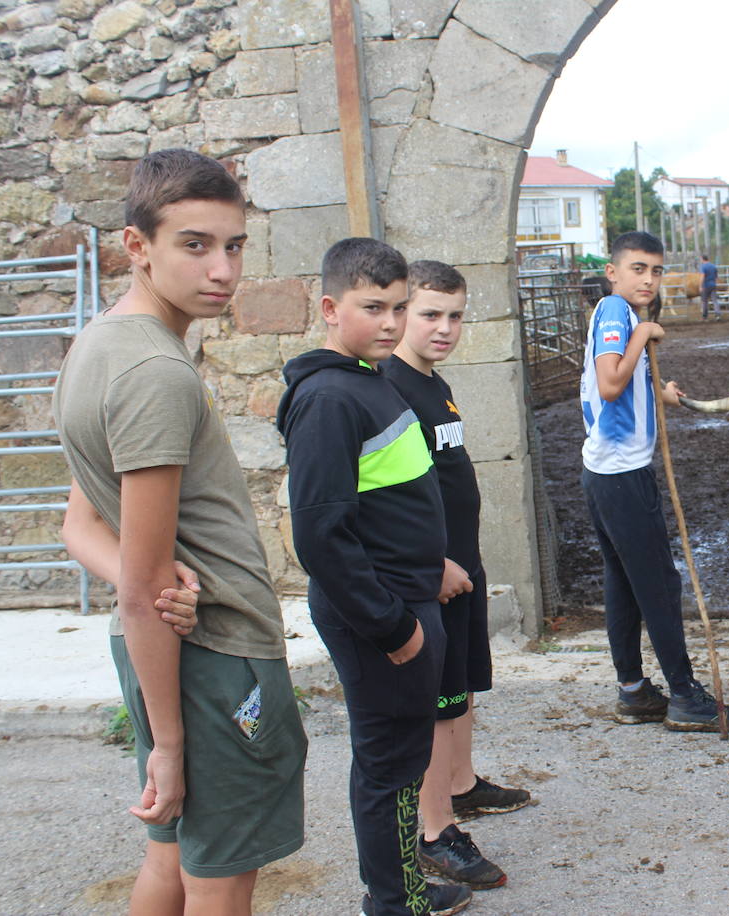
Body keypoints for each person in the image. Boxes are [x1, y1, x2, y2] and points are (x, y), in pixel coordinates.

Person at [53, 148, 307, 914]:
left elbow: (79, 526)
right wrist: (169, 740)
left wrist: (153, 577)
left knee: (171, 856)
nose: (221, 269)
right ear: (138, 247)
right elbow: (139, 590)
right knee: (220, 882)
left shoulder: (98, 346)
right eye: (194, 246)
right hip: (213, 659)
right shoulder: (154, 375)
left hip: (165, 655)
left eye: (233, 246)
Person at [275, 239, 471, 916]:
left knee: (402, 757)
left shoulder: (369, 377)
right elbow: (321, 534)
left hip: (408, 593)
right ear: (330, 308)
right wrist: (393, 626)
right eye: (371, 307)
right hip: (381, 614)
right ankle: (395, 900)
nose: (389, 322)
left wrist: (432, 561)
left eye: (397, 306)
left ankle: (401, 889)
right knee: (389, 764)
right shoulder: (330, 398)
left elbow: (391, 499)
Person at [382, 260, 531, 891]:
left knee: (462, 686)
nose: (445, 328)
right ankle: (434, 828)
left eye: (456, 315)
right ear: (402, 315)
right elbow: (391, 497)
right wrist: (430, 563)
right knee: (438, 700)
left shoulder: (433, 383)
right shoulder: (390, 386)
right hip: (431, 572)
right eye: (430, 315)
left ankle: (463, 785)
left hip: (460, 561)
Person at [580, 231, 729, 733]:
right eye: (638, 269)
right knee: (658, 584)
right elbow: (611, 382)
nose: (649, 280)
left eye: (655, 271)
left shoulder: (614, 314)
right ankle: (684, 696)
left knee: (624, 584)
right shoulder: (617, 313)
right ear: (613, 272)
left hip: (603, 473)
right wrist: (644, 335)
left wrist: (659, 392)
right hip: (622, 476)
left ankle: (633, 690)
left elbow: (616, 384)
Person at [698, 253, 719, 320]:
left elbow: (702, 276)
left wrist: (700, 286)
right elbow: (716, 277)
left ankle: (705, 316)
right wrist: (714, 283)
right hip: (713, 285)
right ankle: (717, 315)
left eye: (700, 259)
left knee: (704, 301)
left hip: (706, 286)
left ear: (702, 259)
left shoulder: (703, 267)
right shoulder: (713, 266)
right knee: (714, 300)